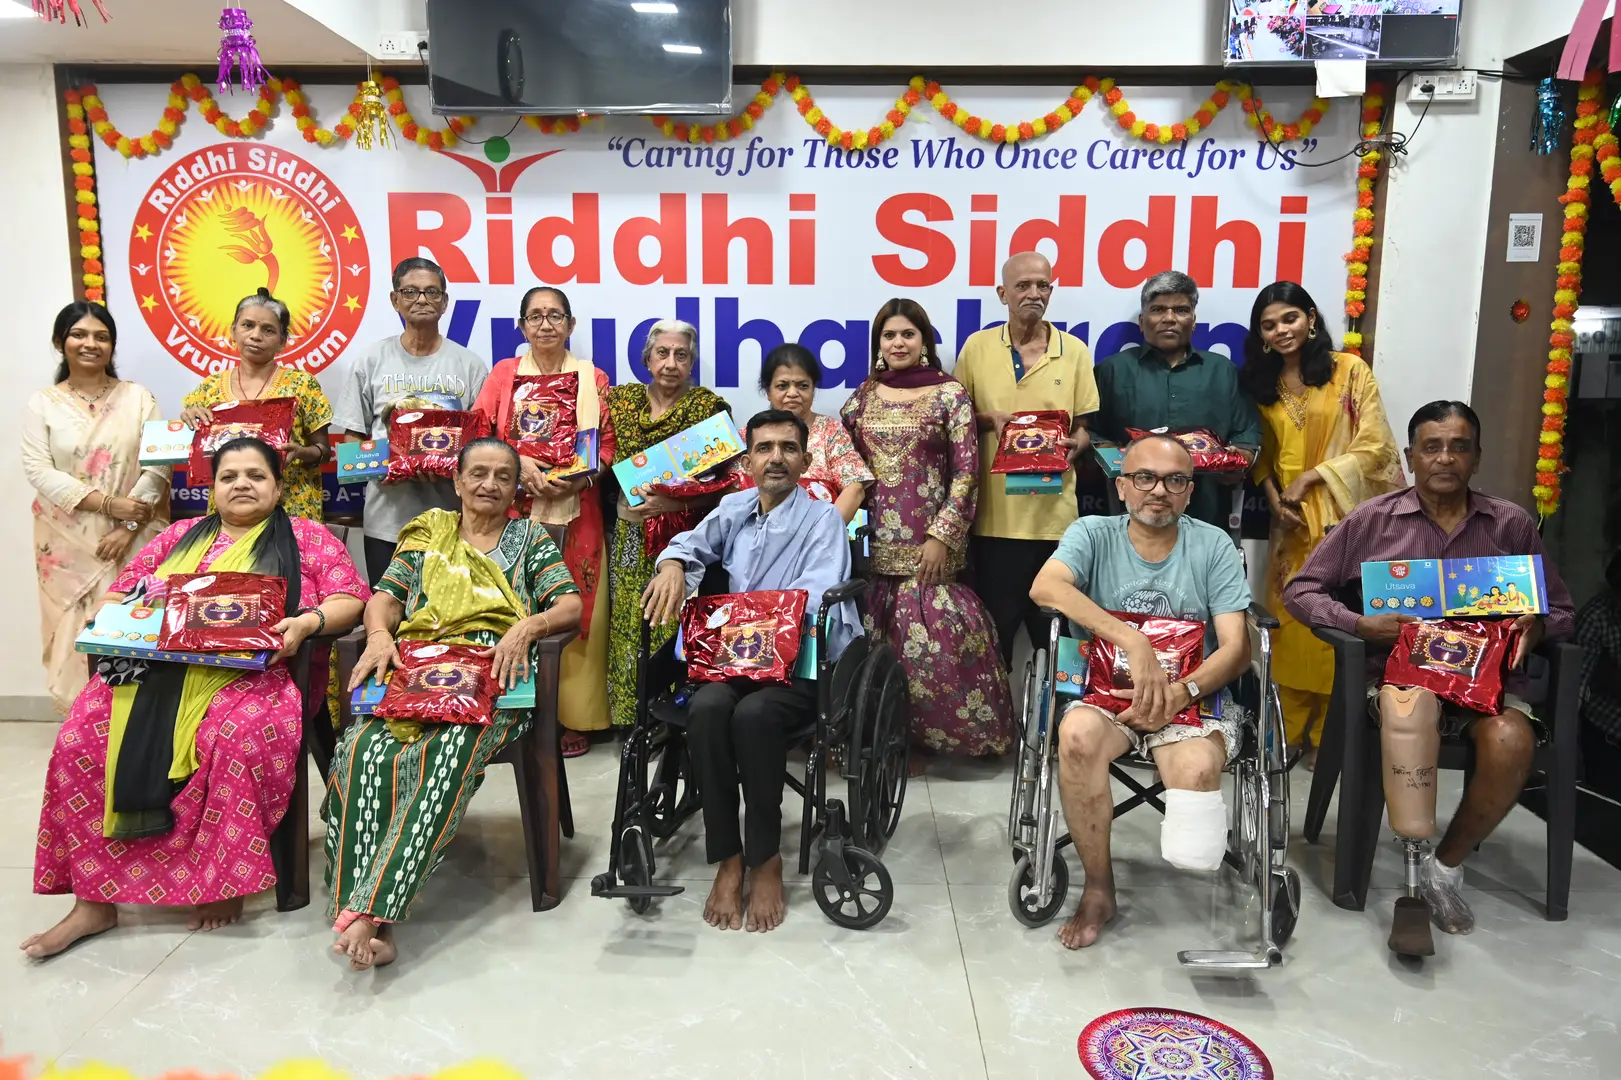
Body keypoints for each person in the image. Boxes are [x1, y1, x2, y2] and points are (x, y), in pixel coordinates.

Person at [21, 437, 368, 960]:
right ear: (212, 488)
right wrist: (118, 613)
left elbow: (350, 599)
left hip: (258, 676)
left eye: (256, 475)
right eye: (229, 477)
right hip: (161, 672)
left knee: (231, 736)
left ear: (278, 487)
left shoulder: (308, 538)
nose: (242, 484)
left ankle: (219, 880)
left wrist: (305, 624)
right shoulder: (178, 537)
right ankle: (93, 901)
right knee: (81, 737)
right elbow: (122, 592)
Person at [1284, 401, 1575, 953]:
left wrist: (1536, 625)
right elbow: (1301, 591)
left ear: (1476, 457)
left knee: (1512, 741)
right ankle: (1413, 869)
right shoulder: (1372, 520)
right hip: (1399, 679)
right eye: (1432, 447)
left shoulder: (1510, 524)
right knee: (1410, 706)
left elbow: (1562, 609)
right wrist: (1357, 623)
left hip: (1486, 686)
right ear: (1411, 456)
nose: (1445, 458)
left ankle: (1445, 867)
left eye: (1459, 446)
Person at [328, 438, 582, 970]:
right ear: (457, 481)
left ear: (516, 488)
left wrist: (527, 627)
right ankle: (363, 907)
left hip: (494, 674)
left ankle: (371, 915)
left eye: (504, 476)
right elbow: (386, 599)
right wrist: (379, 635)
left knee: (447, 752)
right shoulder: (427, 533)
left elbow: (569, 605)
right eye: (479, 474)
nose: (490, 484)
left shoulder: (530, 538)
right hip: (418, 670)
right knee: (359, 749)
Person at [642, 409, 862, 934]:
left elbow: (815, 595)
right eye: (764, 448)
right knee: (707, 707)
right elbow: (689, 544)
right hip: (734, 659)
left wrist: (750, 618)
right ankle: (728, 858)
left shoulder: (823, 519)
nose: (776, 458)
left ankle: (765, 859)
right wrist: (673, 565)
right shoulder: (734, 508)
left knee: (754, 716)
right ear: (748, 461)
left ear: (805, 460)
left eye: (788, 448)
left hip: (800, 661)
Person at [1031, 434, 1253, 950]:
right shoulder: (1092, 533)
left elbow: (1237, 648)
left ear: (1190, 491)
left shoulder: (1213, 545)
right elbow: (1046, 587)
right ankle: (1098, 889)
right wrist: (1133, 640)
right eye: (1145, 478)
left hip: (1192, 700)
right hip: (1106, 695)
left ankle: (1207, 886)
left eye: (1175, 481)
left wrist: (1180, 692)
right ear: (1122, 486)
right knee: (1076, 735)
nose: (1159, 491)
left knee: (1196, 774)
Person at [842, 299, 1012, 764]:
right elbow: (846, 468)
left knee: (932, 647)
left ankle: (934, 744)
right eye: (889, 335)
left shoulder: (949, 395)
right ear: (878, 343)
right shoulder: (862, 397)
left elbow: (966, 473)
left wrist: (942, 536)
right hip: (872, 546)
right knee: (875, 646)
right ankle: (887, 740)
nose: (898, 343)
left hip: (928, 546)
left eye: (908, 334)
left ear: (924, 341)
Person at [1240, 281, 1402, 767]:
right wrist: (1274, 498)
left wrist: (1313, 477)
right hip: (1291, 523)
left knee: (1339, 618)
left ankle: (1328, 736)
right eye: (1269, 325)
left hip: (1345, 519)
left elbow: (1375, 445)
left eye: (1289, 318)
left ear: (1311, 318)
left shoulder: (1349, 371)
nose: (1281, 331)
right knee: (1291, 623)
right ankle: (1287, 730)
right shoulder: (1261, 385)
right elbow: (1260, 454)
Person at [474, 286, 613, 756]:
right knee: (516, 604)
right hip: (513, 510)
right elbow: (479, 435)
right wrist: (517, 465)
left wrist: (580, 478)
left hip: (579, 512)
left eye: (556, 316)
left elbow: (606, 445)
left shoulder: (593, 377)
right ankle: (515, 712)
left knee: (579, 607)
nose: (546, 324)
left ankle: (573, 716)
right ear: (522, 326)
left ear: (571, 325)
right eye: (535, 316)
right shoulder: (504, 375)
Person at [955, 252, 1099, 669]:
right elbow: (956, 421)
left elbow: (1085, 426)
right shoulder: (977, 347)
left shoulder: (1074, 351)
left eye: (1043, 285)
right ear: (1003, 294)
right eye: (1023, 286)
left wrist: (1078, 443)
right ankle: (993, 715)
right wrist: (990, 420)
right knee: (990, 648)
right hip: (993, 523)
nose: (1034, 293)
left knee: (1062, 652)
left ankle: (1063, 714)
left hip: (1056, 525)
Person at [23, 301, 167, 715]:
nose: (90, 343)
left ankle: (133, 724)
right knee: (73, 632)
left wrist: (126, 525)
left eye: (101, 336)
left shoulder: (139, 398)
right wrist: (108, 504)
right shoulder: (43, 404)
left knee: (135, 626)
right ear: (60, 342)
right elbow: (38, 469)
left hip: (134, 536)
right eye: (79, 334)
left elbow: (160, 463)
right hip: (66, 545)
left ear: (112, 345)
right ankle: (83, 723)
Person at [604, 320, 733, 729]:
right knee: (628, 624)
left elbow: (730, 490)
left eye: (681, 355)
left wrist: (673, 501)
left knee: (671, 624)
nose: (671, 363)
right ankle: (630, 719)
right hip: (628, 535)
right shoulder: (621, 402)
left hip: (683, 539)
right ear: (647, 359)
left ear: (692, 363)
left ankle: (671, 720)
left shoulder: (708, 411)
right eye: (662, 353)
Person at [333, 258, 490, 585]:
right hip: (387, 524)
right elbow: (352, 438)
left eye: (432, 292)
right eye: (411, 292)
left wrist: (449, 469)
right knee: (387, 610)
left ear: (444, 302)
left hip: (454, 521)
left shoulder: (470, 365)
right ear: (395, 300)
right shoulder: (371, 360)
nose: (421, 300)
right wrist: (389, 467)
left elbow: (483, 445)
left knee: (450, 609)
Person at [1094, 270, 1261, 529]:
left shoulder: (1222, 371)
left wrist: (1240, 459)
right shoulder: (1112, 371)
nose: (1169, 318)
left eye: (1181, 310)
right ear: (1142, 321)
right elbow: (1091, 431)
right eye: (1158, 309)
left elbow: (1247, 432)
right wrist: (1112, 454)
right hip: (1130, 517)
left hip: (1206, 514)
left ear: (1193, 321)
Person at [179, 289, 333, 521]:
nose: (256, 336)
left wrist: (300, 453)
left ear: (282, 341)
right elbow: (193, 451)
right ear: (233, 331)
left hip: (291, 511)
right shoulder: (209, 389)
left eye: (268, 330)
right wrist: (189, 421)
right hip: (229, 514)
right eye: (247, 325)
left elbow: (324, 452)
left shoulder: (302, 385)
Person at [757, 342, 873, 523]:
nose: (793, 393)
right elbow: (734, 493)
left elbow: (855, 489)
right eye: (782, 386)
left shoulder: (830, 431)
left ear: (813, 389)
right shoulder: (751, 434)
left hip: (820, 536)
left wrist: (822, 533)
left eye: (803, 386)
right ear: (767, 391)